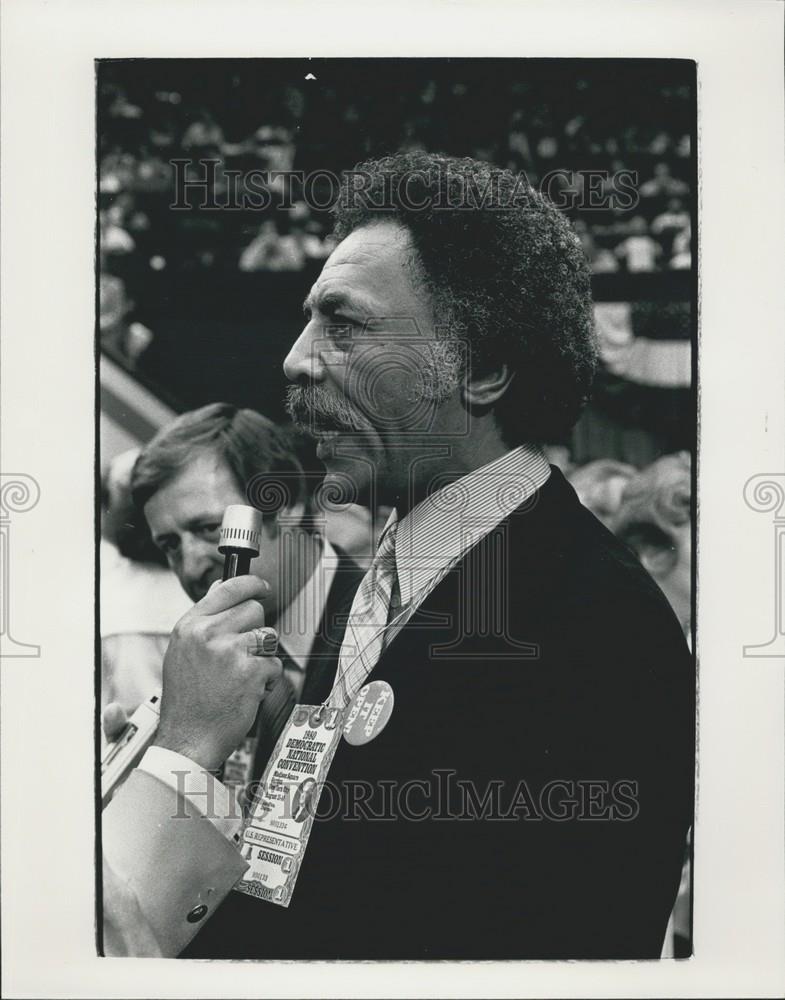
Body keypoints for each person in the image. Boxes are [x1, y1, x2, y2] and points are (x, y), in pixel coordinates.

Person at [103, 152, 694, 960]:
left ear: (480, 367)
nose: (295, 358)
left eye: (342, 324)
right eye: (309, 319)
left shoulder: (595, 623)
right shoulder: (389, 577)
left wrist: (187, 749)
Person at [102, 402, 365, 810]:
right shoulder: (206, 663)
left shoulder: (383, 623)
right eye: (169, 546)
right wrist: (157, 776)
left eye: (209, 528)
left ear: (288, 503)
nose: (191, 565)